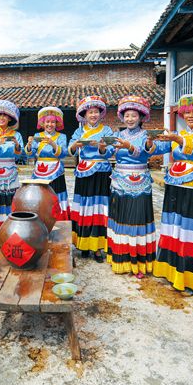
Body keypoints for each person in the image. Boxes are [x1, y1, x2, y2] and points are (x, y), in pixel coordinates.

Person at [153, 94, 193, 295]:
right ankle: (171, 270)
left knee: (192, 231)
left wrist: (179, 139)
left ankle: (192, 277)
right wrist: (149, 142)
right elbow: (159, 147)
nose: (190, 115)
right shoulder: (177, 134)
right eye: (187, 112)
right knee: (174, 226)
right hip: (175, 185)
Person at [106, 96, 160, 278]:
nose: (130, 119)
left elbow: (145, 153)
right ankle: (119, 257)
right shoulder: (119, 135)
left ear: (141, 117)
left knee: (137, 217)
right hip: (120, 180)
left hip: (140, 181)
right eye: (127, 115)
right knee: (120, 216)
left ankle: (139, 262)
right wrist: (103, 148)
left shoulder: (146, 136)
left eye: (134, 116)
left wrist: (130, 147)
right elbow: (108, 153)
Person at [69, 95, 115, 262]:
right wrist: (75, 145)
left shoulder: (107, 130)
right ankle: (83, 244)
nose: (93, 115)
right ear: (85, 115)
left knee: (99, 208)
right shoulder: (79, 131)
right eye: (90, 112)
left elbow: (111, 150)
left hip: (101, 173)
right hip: (84, 172)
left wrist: (102, 148)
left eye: (96, 112)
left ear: (100, 114)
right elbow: (70, 149)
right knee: (84, 207)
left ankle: (97, 247)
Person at [0, 100, 24, 242]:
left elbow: (20, 155)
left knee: (10, 200)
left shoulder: (16, 135)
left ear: (10, 118)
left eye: (4, 115)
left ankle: (11, 234)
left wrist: (17, 145)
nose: (1, 117)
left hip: (11, 170)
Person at [24, 106, 70, 220]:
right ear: (43, 123)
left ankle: (58, 220)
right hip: (39, 170)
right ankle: (40, 220)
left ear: (57, 123)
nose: (50, 124)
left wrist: (53, 144)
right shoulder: (37, 136)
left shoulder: (61, 136)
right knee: (40, 195)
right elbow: (30, 154)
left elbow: (64, 153)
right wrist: (29, 145)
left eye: (53, 122)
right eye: (47, 122)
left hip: (56, 171)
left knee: (56, 194)